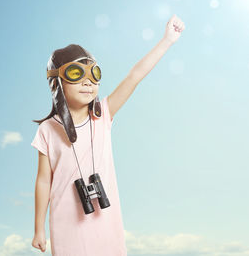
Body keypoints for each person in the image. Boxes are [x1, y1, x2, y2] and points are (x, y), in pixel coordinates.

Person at [30, 14, 185, 256]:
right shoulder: (48, 129)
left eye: (94, 74)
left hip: (105, 222)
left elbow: (134, 76)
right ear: (57, 83)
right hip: (66, 224)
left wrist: (167, 40)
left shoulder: (102, 115)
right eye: (76, 74)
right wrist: (39, 228)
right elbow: (43, 181)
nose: (87, 82)